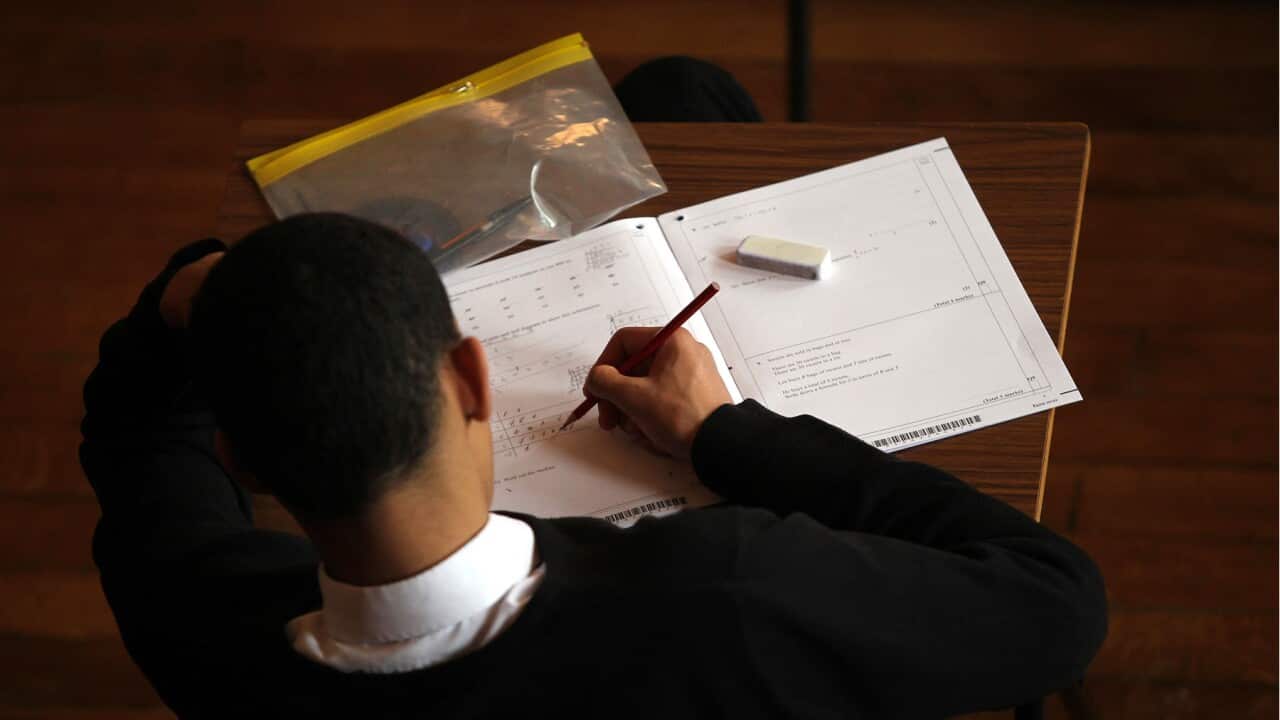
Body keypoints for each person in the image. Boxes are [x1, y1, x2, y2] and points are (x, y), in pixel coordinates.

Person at [81, 61, 1106, 719]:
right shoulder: (723, 596)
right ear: (472, 377)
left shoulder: (200, 619)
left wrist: (184, 298)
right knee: (687, 89)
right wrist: (727, 435)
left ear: (243, 462)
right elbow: (1055, 601)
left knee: (671, 93)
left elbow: (136, 442)